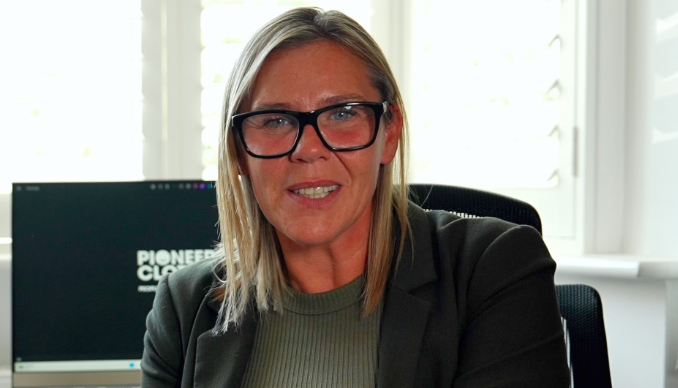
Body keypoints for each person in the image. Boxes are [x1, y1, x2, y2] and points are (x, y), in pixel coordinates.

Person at [141, 7, 570, 387]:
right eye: (274, 120)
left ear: (390, 134)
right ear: (237, 151)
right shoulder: (186, 305)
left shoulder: (494, 268)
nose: (308, 148)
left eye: (343, 113)